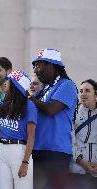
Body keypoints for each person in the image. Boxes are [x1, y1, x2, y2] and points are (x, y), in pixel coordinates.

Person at [29, 48, 78, 188]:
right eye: (34, 66)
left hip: (55, 152)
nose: (35, 70)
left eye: (39, 65)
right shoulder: (44, 89)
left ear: (51, 65)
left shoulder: (67, 85)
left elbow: (51, 110)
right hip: (38, 149)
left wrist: (28, 97)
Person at [0, 70, 36, 189]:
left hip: (20, 151)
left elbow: (31, 136)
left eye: (9, 80)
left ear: (16, 84)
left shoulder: (29, 105)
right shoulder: (5, 104)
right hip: (1, 151)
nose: (5, 83)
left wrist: (25, 162)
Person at [69, 79, 97, 187]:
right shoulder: (72, 114)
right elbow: (69, 142)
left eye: (87, 90)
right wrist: (81, 161)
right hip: (76, 171)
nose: (83, 94)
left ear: (95, 94)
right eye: (81, 91)